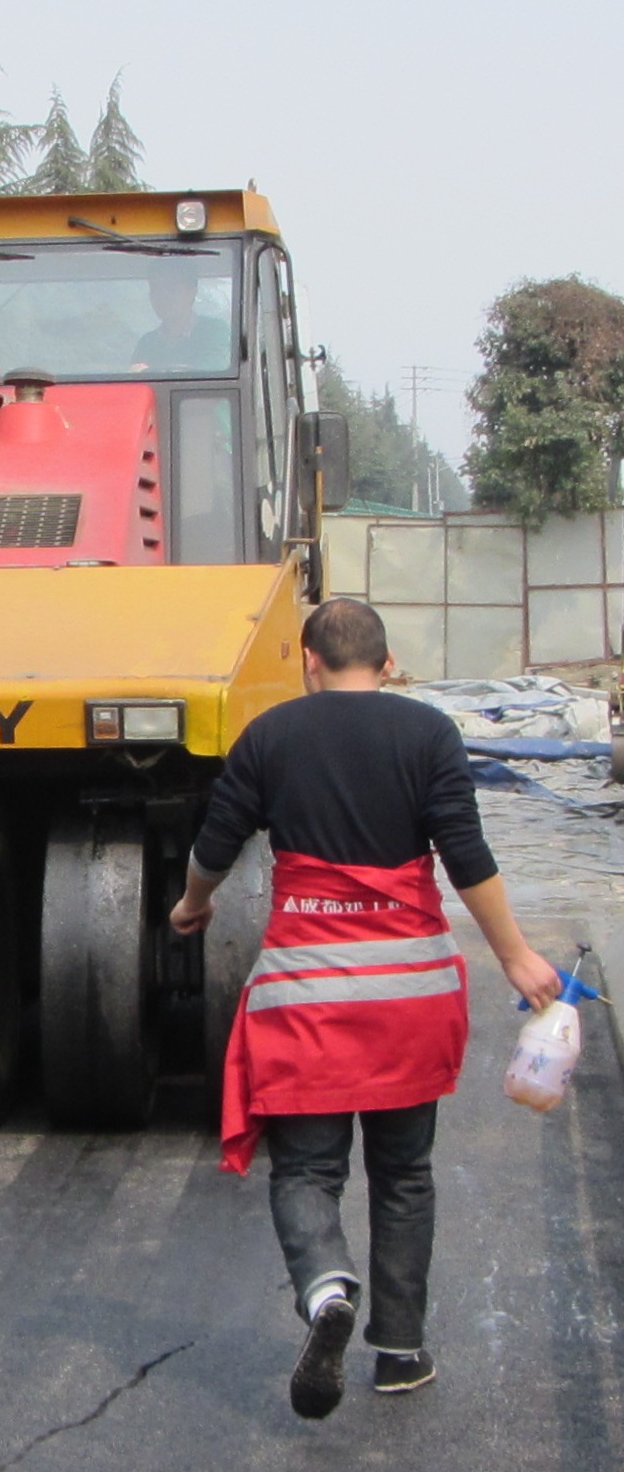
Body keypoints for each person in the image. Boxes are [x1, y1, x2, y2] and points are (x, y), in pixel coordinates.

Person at [169, 597, 559, 1420]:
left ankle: (324, 1291)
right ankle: (402, 1351)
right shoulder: (428, 735)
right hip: (410, 997)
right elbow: (466, 854)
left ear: (309, 661)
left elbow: (215, 844)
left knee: (308, 1168)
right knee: (404, 1172)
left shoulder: (271, 736)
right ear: (385, 665)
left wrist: (193, 905)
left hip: (307, 997)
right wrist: (516, 955)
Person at [129, 259, 232, 374]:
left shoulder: (214, 330)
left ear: (192, 293)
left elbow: (213, 370)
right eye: (155, 289)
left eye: (172, 289)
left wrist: (148, 372)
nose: (163, 296)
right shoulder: (147, 343)